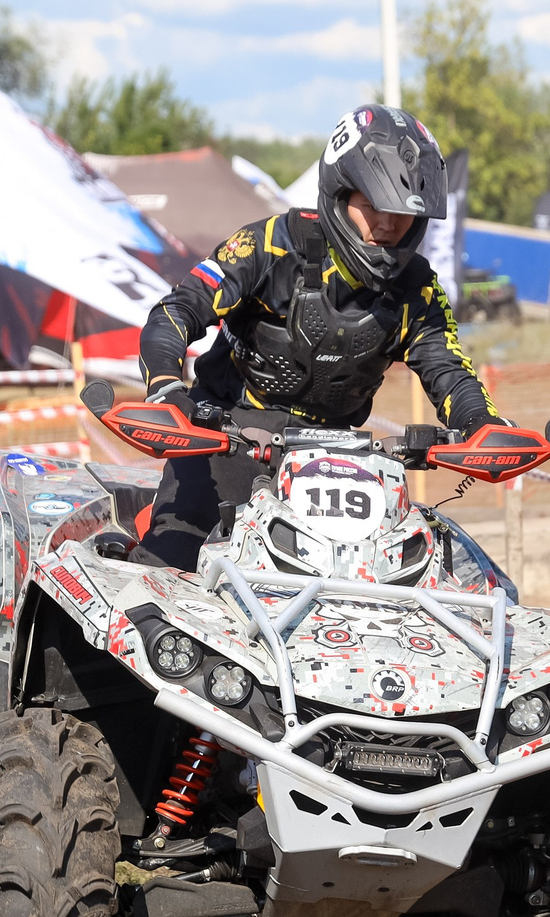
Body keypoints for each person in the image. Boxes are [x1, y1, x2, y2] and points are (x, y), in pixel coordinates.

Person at [131, 104, 498, 569]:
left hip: (339, 462)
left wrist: (483, 426)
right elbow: (176, 310)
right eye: (373, 206)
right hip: (227, 440)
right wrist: (165, 386)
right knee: (169, 561)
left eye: (402, 213)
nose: (387, 224)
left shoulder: (417, 289)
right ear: (340, 194)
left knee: (446, 579)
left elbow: (448, 370)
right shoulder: (270, 246)